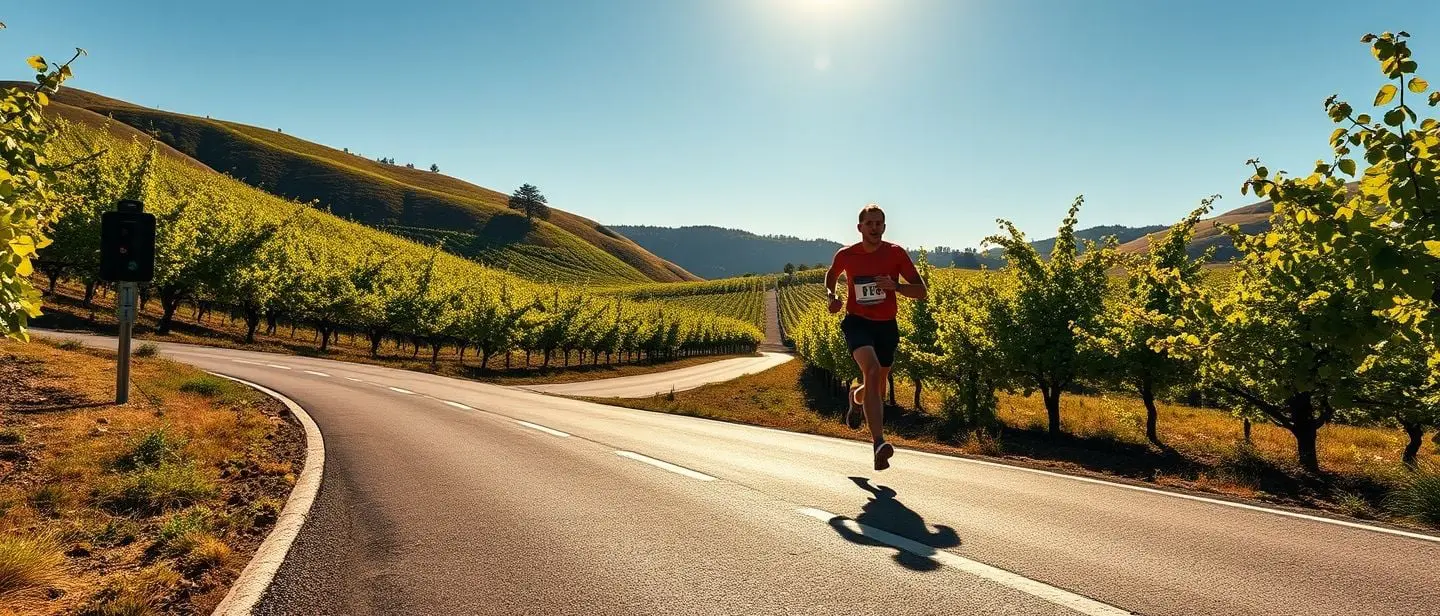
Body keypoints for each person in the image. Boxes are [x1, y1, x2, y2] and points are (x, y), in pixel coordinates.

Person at [825, 203, 926, 471]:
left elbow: (921, 290)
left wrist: (897, 286)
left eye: (879, 223)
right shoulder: (847, 255)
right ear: (860, 228)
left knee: (878, 383)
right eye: (869, 224)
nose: (875, 228)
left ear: (884, 226)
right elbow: (831, 275)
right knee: (870, 370)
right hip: (857, 322)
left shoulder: (896, 253)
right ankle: (879, 444)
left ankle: (856, 398)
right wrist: (832, 296)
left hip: (886, 326)